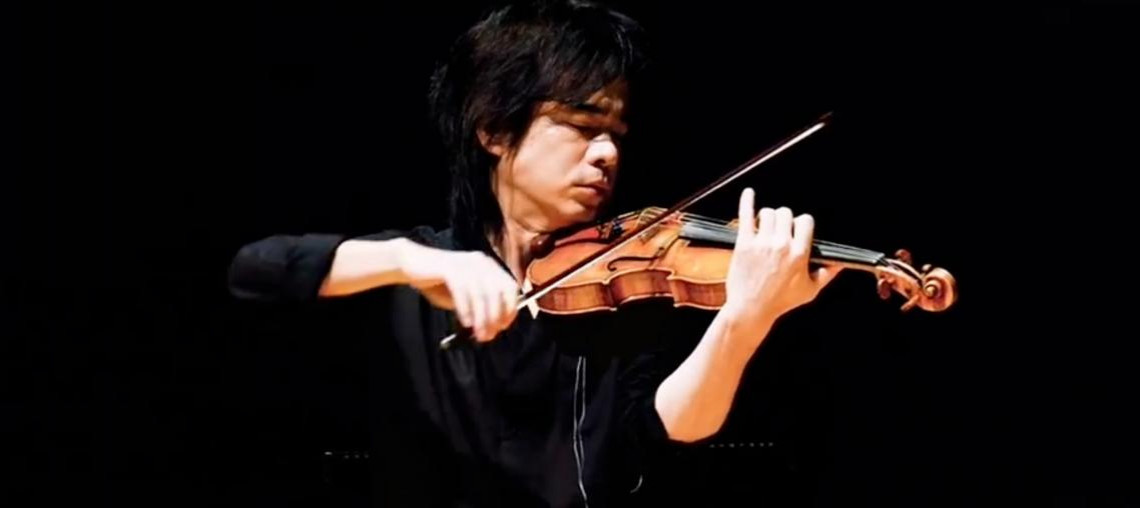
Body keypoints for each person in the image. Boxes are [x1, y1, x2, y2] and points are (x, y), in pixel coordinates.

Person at [227, 1, 842, 506]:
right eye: (581, 125)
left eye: (616, 135)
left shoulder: (619, 282)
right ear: (494, 129)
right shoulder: (418, 266)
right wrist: (412, 262)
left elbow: (663, 430)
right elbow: (254, 269)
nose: (607, 154)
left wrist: (743, 321)